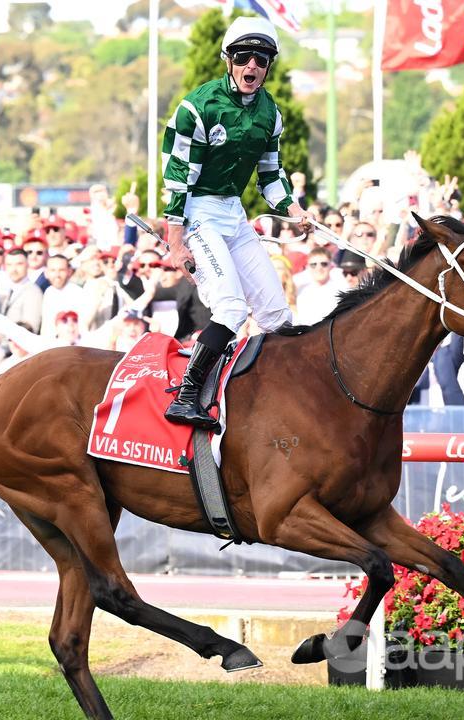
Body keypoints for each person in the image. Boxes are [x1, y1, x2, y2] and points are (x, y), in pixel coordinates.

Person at [159, 16, 306, 428]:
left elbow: (271, 176)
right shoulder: (197, 107)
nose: (252, 66)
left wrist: (295, 212)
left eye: (262, 58)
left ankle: (285, 396)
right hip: (198, 213)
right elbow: (177, 176)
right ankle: (186, 395)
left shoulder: (270, 113)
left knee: (278, 316)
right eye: (244, 56)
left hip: (234, 215)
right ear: (228, 59)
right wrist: (175, 239)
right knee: (231, 307)